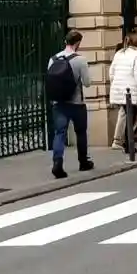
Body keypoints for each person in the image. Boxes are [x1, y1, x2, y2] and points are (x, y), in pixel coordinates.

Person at [45, 30, 93, 179]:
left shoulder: (53, 59)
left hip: (58, 103)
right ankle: (83, 162)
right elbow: (87, 83)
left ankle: (57, 163)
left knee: (59, 133)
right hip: (76, 103)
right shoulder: (80, 60)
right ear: (77, 43)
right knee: (81, 132)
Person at [108, 31, 137, 150]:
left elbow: (111, 73)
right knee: (131, 118)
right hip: (131, 92)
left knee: (125, 114)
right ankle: (128, 145)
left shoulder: (119, 54)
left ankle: (119, 141)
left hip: (120, 91)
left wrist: (116, 87)